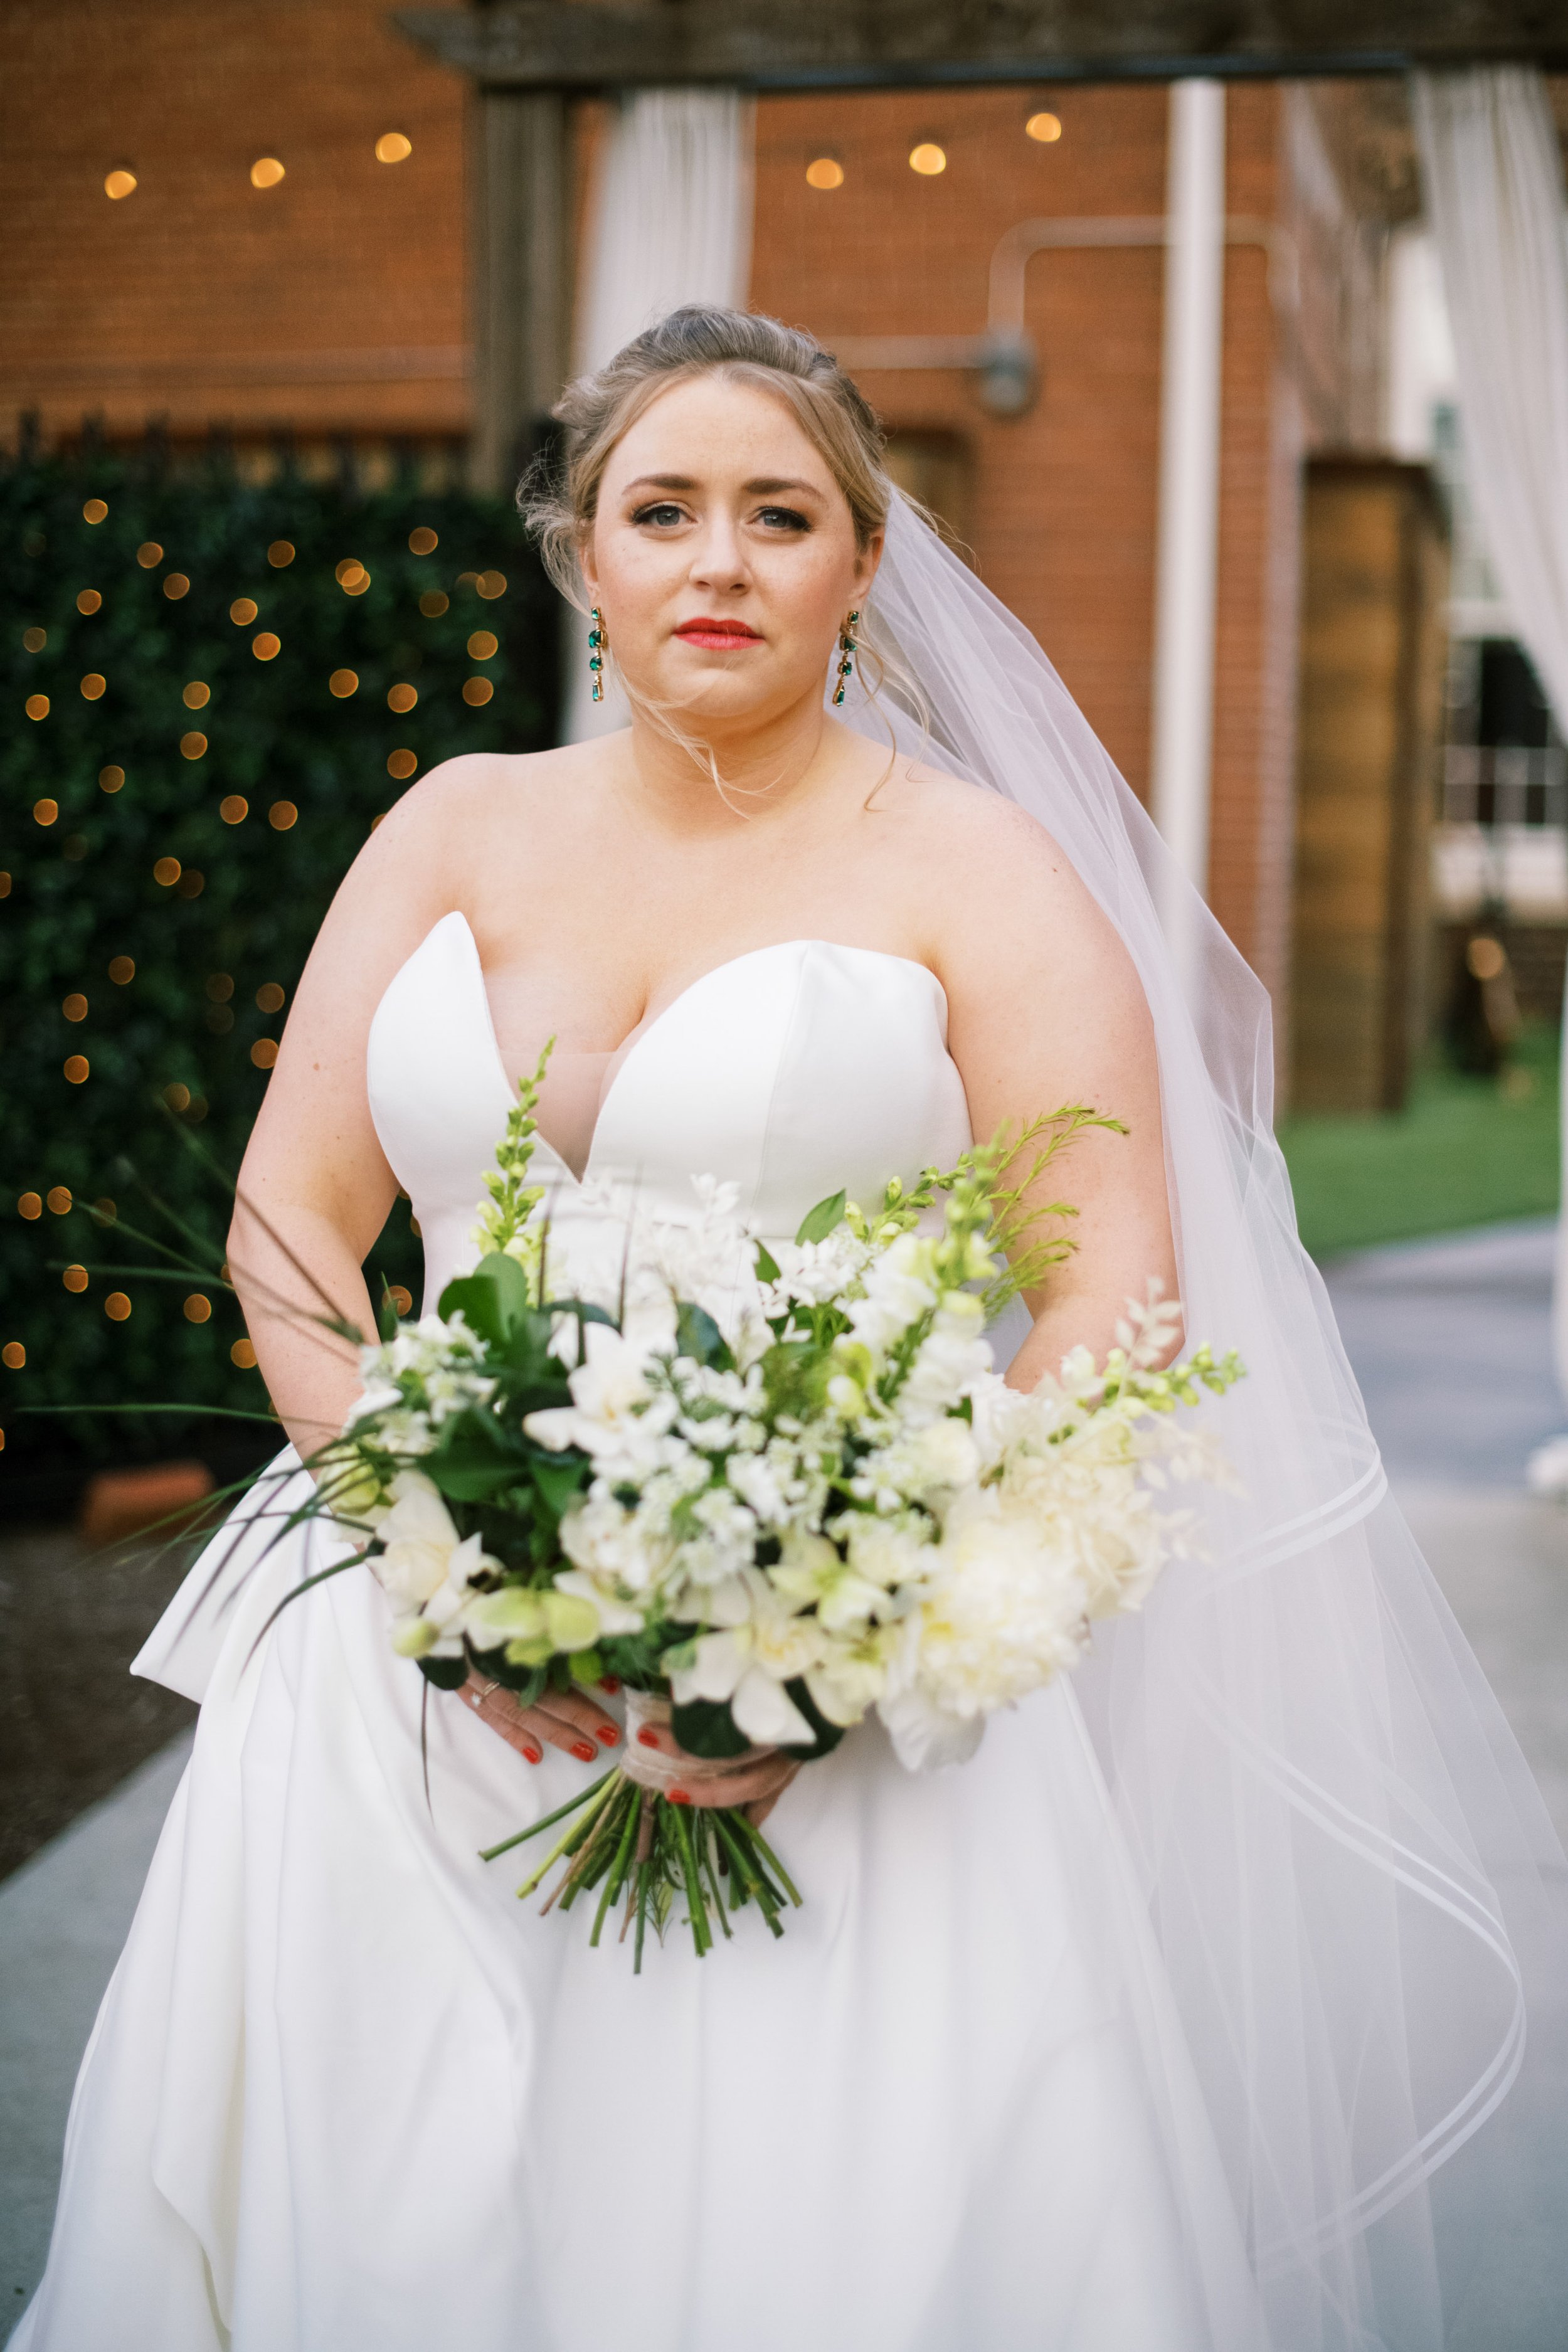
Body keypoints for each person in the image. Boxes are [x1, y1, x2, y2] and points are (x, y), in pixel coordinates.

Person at [13, 308, 1567, 2352]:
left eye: (780, 514)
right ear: (585, 556)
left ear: (860, 562)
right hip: (404, 1691)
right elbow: (293, 1223)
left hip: (841, 1708)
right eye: (661, 511)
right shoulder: (452, 828)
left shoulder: (974, 870)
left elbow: (1111, 1284)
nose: (718, 561)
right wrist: (423, 1548)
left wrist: (868, 1632)